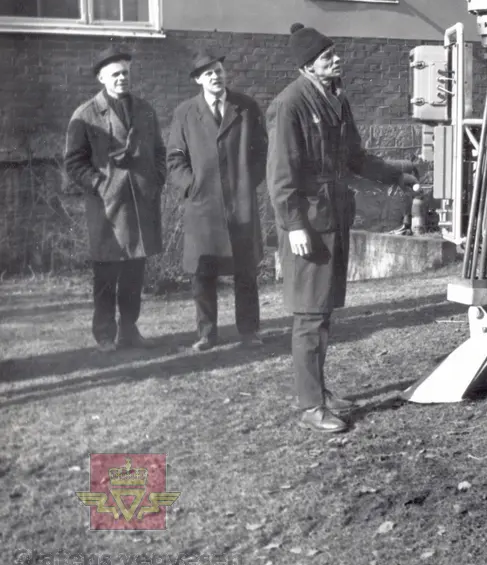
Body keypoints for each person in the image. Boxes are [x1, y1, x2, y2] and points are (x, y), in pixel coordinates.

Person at [267, 23, 421, 433]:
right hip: (308, 225)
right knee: (309, 316)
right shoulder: (290, 105)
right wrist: (294, 225)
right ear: (307, 66)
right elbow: (281, 175)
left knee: (324, 312)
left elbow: (355, 157)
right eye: (326, 56)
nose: (336, 59)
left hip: (333, 218)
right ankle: (310, 405)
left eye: (334, 53)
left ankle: (319, 390)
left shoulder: (336, 99)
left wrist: (394, 175)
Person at [64, 47, 166, 352]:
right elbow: (73, 162)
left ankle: (129, 330)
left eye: (126, 73)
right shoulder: (85, 115)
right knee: (107, 275)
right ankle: (105, 335)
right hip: (108, 208)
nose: (122, 78)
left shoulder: (145, 109)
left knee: (135, 273)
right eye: (115, 74)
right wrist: (99, 183)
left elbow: (159, 151)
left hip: (141, 203)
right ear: (101, 78)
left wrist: (157, 178)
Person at [166, 51, 268, 352]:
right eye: (208, 73)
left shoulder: (246, 107)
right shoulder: (185, 112)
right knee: (203, 273)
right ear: (198, 80)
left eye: (219, 70)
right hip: (203, 206)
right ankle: (207, 334)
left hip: (240, 204)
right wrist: (192, 186)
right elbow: (174, 158)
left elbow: (262, 152)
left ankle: (249, 331)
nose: (216, 76)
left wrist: (247, 183)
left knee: (246, 271)